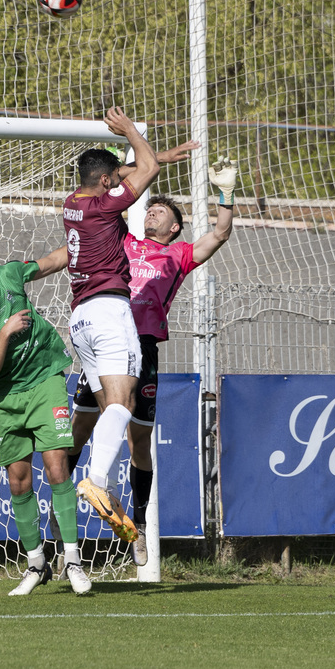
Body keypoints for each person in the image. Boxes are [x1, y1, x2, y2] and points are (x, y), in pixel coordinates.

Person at [69, 156, 236, 566]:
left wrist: (226, 194)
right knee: (78, 430)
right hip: (107, 337)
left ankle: (139, 527)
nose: (153, 211)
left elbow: (221, 232)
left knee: (138, 440)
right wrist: (146, 159)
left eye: (161, 210)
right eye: (150, 208)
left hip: (141, 348)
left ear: (175, 227)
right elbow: (110, 184)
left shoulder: (178, 256)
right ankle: (63, 523)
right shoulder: (122, 239)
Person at [0, 238, 92, 596]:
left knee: (57, 466)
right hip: (7, 394)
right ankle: (36, 564)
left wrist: (90, 239)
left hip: (46, 380)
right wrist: (6, 333)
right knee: (18, 482)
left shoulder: (9, 275)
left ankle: (72, 560)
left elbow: (53, 261)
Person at [61, 107, 168, 543]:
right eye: (113, 179)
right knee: (123, 407)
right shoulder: (108, 205)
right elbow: (149, 167)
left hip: (79, 318)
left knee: (107, 409)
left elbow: (127, 169)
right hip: (109, 311)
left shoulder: (72, 202)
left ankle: (93, 508)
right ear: (107, 182)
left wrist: (149, 154)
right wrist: (128, 131)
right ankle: (97, 480)